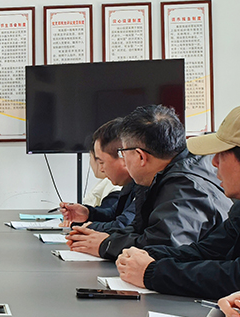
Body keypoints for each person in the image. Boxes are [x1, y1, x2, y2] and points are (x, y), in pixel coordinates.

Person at [117, 102, 240, 299]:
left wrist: (153, 273)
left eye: (221, 155)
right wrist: (148, 255)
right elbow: (208, 250)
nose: (214, 162)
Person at [66, 105, 230, 259]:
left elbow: (164, 246)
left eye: (123, 153)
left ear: (140, 156)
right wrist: (104, 238)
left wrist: (107, 245)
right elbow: (141, 229)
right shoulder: (162, 176)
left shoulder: (185, 187)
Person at [61, 118, 140, 232]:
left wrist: (89, 227)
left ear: (123, 157)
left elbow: (123, 225)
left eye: (102, 162)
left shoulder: (148, 184)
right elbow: (113, 214)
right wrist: (88, 214)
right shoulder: (131, 184)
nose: (101, 169)